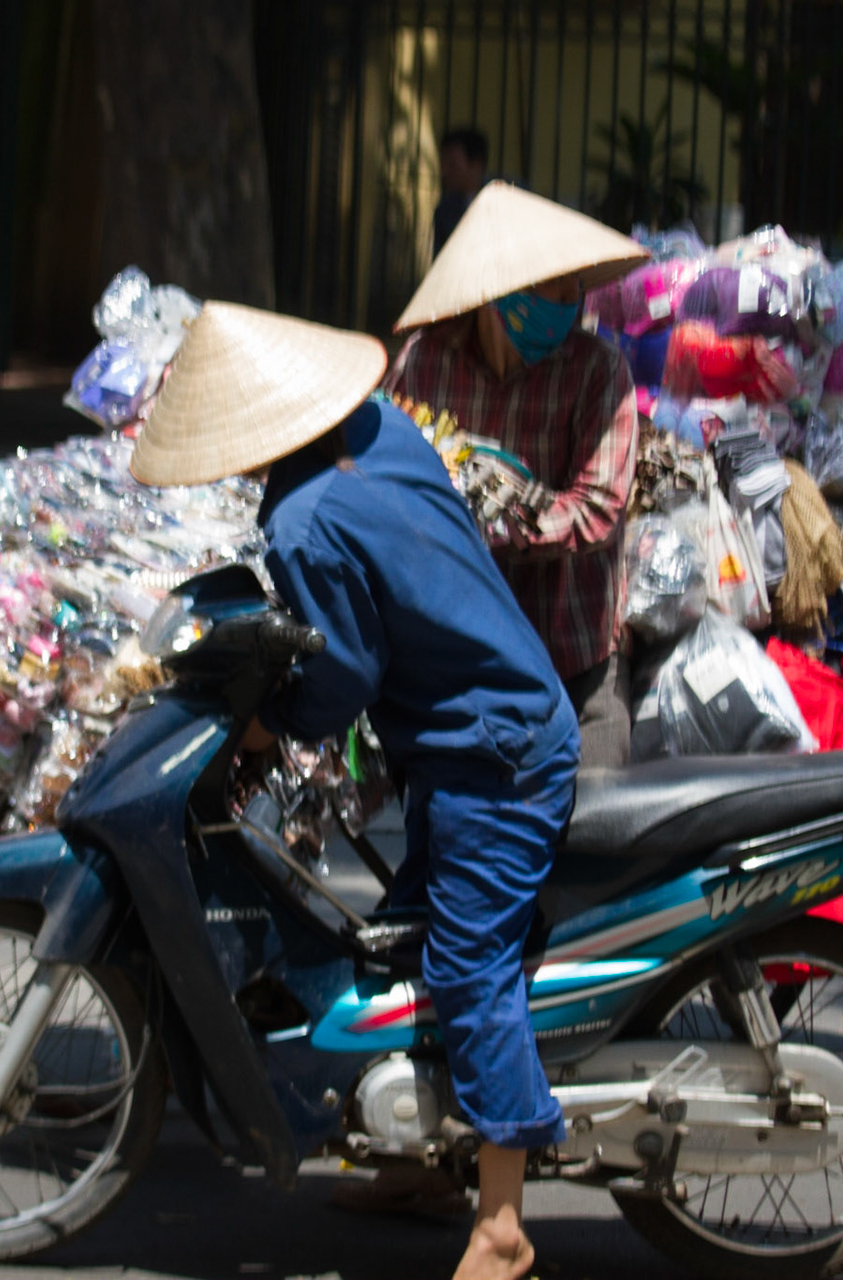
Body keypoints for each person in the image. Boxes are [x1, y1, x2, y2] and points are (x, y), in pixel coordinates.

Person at [129, 301, 580, 1280]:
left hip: (493, 751)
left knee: (465, 969)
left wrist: (264, 721)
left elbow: (343, 680)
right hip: (478, 724)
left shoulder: (304, 517)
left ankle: (503, 1226)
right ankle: (428, 1164)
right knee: (402, 957)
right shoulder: (382, 424)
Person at [386, 180, 648, 770]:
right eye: (545, 286)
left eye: (571, 287)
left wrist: (483, 520)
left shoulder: (599, 375)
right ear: (494, 290)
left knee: (595, 840)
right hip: (458, 671)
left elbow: (596, 511)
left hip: (574, 667)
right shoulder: (423, 367)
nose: (564, 302)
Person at [433, 126, 490, 254]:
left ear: (475, 165)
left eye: (452, 165)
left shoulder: (505, 199)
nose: (445, 172)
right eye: (443, 164)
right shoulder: (445, 210)